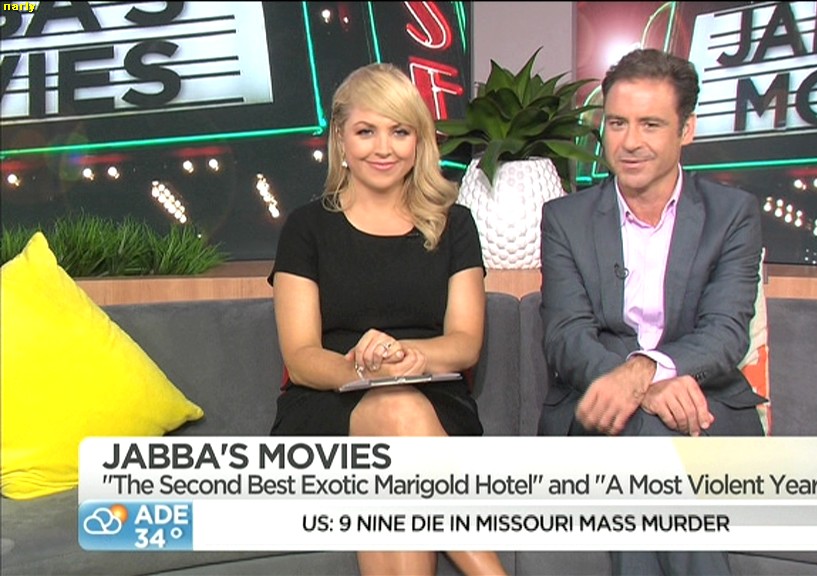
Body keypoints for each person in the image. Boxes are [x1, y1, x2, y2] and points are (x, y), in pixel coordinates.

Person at [268, 63, 506, 576]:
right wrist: (362, 368)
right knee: (396, 411)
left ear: (419, 141)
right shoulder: (306, 228)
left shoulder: (455, 224)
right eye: (366, 131)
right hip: (327, 407)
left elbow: (465, 342)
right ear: (340, 139)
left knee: (400, 417)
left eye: (399, 131)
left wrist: (409, 357)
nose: (383, 148)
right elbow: (302, 358)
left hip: (435, 402)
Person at [538, 49, 766, 575]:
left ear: (687, 130)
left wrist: (644, 371)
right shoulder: (566, 219)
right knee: (649, 440)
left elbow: (726, 331)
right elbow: (566, 336)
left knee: (647, 446)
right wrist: (644, 389)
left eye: (651, 124)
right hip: (597, 412)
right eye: (617, 123)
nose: (630, 142)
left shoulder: (732, 215)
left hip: (705, 409)